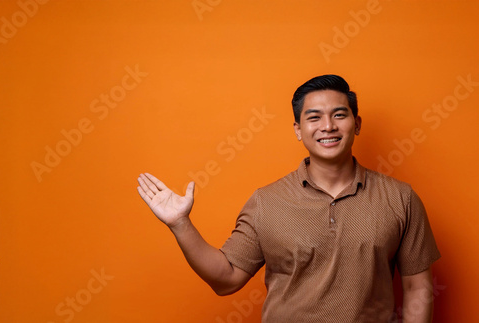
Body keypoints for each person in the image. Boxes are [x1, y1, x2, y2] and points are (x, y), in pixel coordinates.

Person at [137, 75, 441, 322]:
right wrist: (180, 224)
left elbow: (417, 286)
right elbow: (226, 279)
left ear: (356, 124)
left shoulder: (400, 198)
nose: (328, 126)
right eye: (314, 117)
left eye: (339, 115)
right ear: (298, 130)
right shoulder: (266, 202)